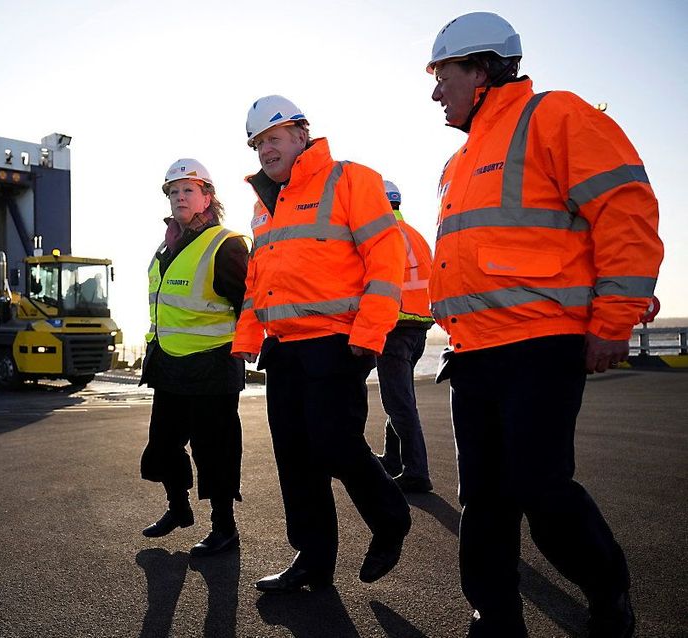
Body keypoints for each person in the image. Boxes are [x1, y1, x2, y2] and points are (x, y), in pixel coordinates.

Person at [426, 12, 662, 637]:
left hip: (540, 345)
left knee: (539, 487)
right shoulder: (458, 163)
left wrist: (615, 317)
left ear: (479, 70)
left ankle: (607, 586)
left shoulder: (556, 116)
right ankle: (494, 614)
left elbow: (625, 211)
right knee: (483, 500)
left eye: (442, 74)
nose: (434, 91)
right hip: (472, 352)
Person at [233, 95, 411, 592]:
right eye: (257, 143)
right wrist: (248, 336)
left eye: (272, 138)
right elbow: (256, 279)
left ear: (300, 134)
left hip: (337, 343)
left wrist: (371, 330)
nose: (265, 150)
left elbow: (385, 252)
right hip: (284, 349)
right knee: (295, 458)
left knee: (335, 444)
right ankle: (313, 560)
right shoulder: (264, 205)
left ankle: (390, 519)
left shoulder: (350, 179)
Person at [139, 158, 249, 557]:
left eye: (188, 190)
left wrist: (249, 349)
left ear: (207, 197)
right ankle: (178, 508)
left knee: (214, 451)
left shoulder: (225, 244)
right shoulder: (165, 247)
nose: (179, 197)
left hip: (213, 365)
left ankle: (224, 528)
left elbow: (247, 304)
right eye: (173, 191)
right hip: (170, 363)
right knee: (162, 447)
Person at [375, 180, 435, 494]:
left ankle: (417, 472)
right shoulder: (416, 236)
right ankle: (393, 459)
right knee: (402, 398)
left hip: (394, 328)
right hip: (419, 327)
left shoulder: (384, 237)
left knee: (398, 402)